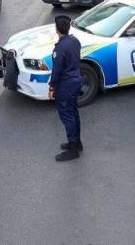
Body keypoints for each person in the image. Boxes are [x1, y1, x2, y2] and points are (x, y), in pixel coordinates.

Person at [49, 15, 83, 161]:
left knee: (67, 116)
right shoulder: (74, 40)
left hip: (65, 85)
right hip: (76, 81)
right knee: (73, 113)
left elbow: (56, 70)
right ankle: (76, 143)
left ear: (57, 29)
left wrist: (52, 87)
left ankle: (73, 150)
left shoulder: (60, 48)